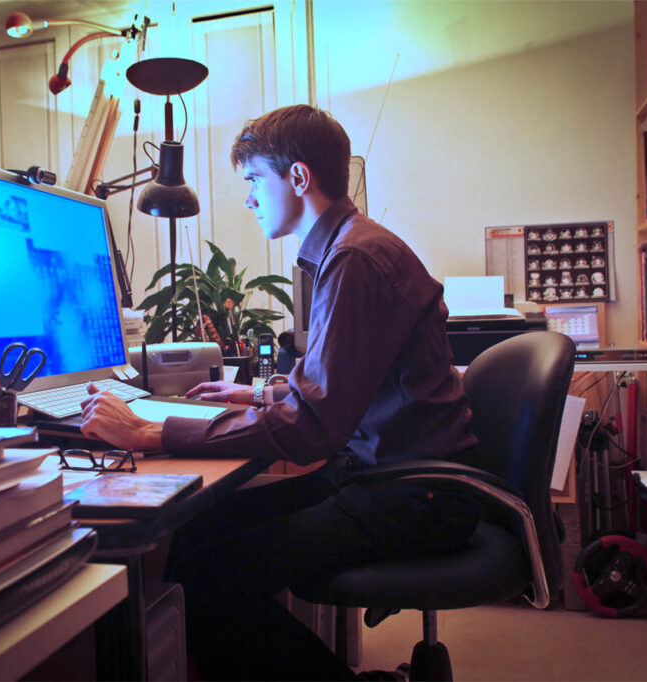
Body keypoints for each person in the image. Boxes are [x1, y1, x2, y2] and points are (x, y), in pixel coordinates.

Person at [80, 104, 479, 680]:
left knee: (208, 569)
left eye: (253, 181)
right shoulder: (351, 245)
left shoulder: (353, 258)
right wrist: (260, 396)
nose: (248, 198)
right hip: (393, 477)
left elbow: (312, 427)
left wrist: (151, 431)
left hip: (414, 496)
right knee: (195, 534)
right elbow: (339, 382)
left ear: (297, 178)